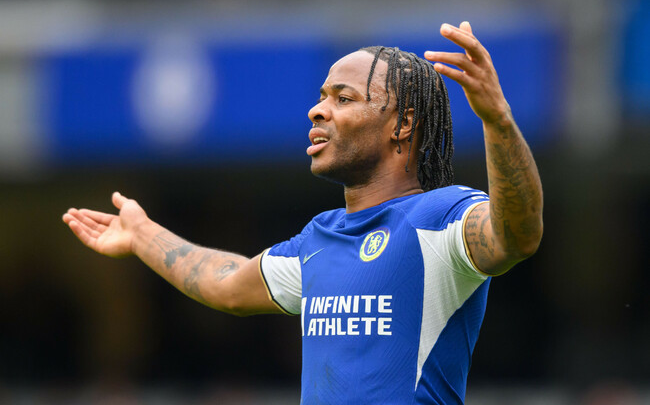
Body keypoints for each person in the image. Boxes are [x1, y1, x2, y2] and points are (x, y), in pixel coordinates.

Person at [62, 21, 543, 404]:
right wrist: (141, 233)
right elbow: (225, 283)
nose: (317, 110)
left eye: (343, 98)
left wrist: (497, 120)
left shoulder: (440, 218)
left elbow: (516, 234)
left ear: (402, 124)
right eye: (321, 96)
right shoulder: (319, 239)